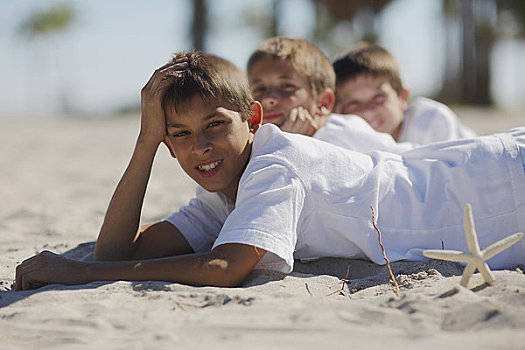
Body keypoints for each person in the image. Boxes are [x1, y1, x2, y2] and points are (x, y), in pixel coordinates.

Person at [15, 51, 525, 291]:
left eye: (215, 125)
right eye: (181, 134)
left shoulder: (277, 164)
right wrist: (147, 141)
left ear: (252, 119)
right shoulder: (222, 192)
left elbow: (225, 268)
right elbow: (116, 254)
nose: (202, 148)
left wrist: (81, 272)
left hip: (497, 187)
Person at [247, 36, 412, 153]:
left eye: (287, 87)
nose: (268, 98)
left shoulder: (343, 132)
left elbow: (403, 159)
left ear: (323, 103)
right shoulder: (248, 145)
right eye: (259, 89)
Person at [332, 43, 476, 145]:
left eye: (378, 97)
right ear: (340, 109)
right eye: (353, 103)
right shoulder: (348, 134)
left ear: (402, 97)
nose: (368, 110)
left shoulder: (430, 121)